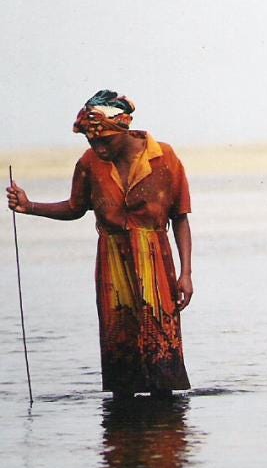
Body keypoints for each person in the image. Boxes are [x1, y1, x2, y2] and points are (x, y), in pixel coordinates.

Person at [6, 90, 193, 399]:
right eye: (92, 142)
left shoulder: (164, 157)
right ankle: (123, 427)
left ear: (123, 129)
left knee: (162, 355)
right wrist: (30, 207)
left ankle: (165, 433)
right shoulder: (89, 163)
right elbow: (75, 208)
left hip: (155, 259)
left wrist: (185, 274)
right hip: (112, 261)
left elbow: (181, 218)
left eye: (105, 140)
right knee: (120, 349)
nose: (98, 147)